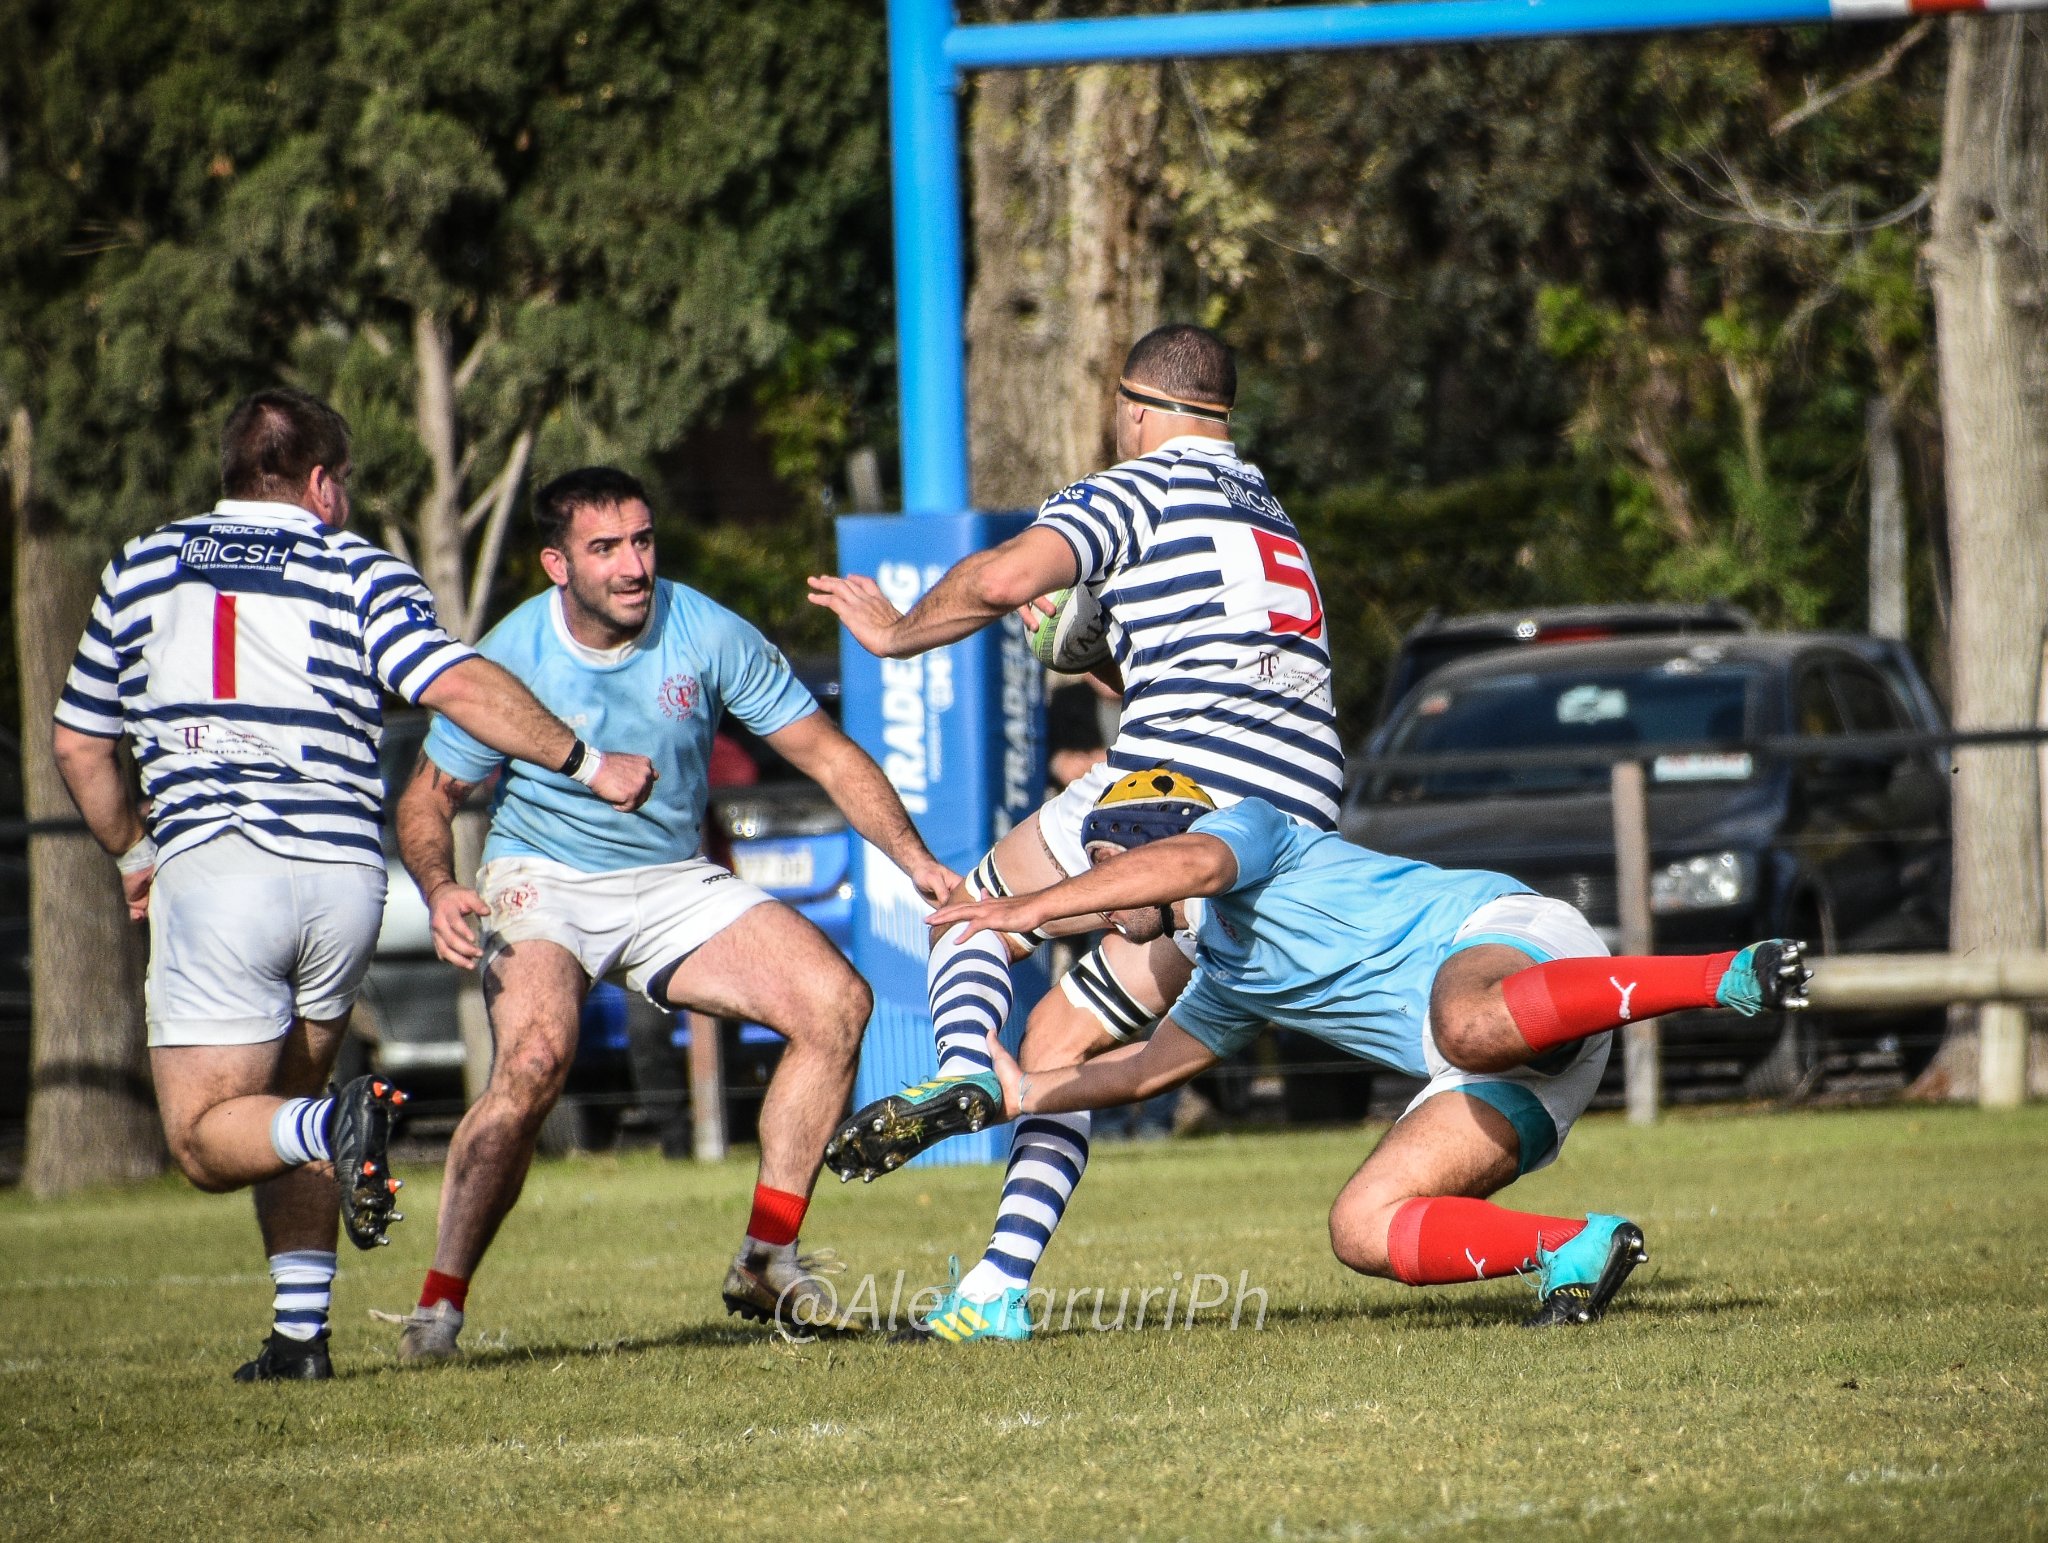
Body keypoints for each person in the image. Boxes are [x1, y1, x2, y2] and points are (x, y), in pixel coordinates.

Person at [51, 388, 657, 1382]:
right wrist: (585, 760)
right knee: (287, 1094)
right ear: (323, 481)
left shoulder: (143, 562)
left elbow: (81, 743)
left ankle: (336, 1125)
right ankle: (299, 1336)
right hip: (341, 878)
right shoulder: (360, 566)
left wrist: (133, 855)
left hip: (219, 868)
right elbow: (451, 681)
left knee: (208, 1140)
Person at [809, 323, 1342, 1327]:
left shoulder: (1126, 490)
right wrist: (1088, 648)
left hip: (1181, 780)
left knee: (978, 913)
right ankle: (994, 1287)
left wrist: (895, 633)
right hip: (1298, 819)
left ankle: (965, 1068)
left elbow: (1004, 578)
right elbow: (1173, 650)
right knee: (1057, 1044)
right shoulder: (1267, 506)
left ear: (1135, 409)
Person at [874, 769, 1811, 1335]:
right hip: (1513, 1070)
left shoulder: (1249, 829)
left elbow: (1195, 866)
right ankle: (1577, 1247)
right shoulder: (1226, 977)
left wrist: (1029, 907)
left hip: (1515, 943)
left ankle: (1722, 973)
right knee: (1361, 1226)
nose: (1104, 897)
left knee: (1463, 1021)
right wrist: (1019, 1089)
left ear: (1154, 850)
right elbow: (1141, 1070)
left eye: (1112, 871)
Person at [388, 466, 957, 1360]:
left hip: (667, 877)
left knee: (836, 1004)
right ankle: (437, 1308)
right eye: (604, 548)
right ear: (554, 564)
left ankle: (768, 1256)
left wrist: (916, 858)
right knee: (537, 1058)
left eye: (643, 541)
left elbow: (830, 756)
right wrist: (439, 884)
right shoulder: (507, 654)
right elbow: (427, 798)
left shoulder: (706, 629)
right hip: (544, 876)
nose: (632, 565)